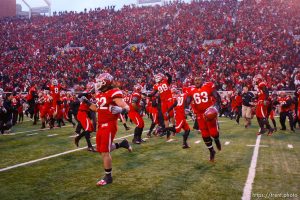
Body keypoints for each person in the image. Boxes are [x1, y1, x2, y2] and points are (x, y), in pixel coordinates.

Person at [84, 73, 132, 186]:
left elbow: (126, 107)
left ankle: (108, 177)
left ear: (106, 82)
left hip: (109, 124)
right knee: (101, 149)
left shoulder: (114, 92)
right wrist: (86, 102)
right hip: (101, 124)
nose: (98, 84)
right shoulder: (101, 94)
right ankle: (122, 144)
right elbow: (97, 109)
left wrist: (121, 110)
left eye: (100, 81)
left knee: (105, 151)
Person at [187, 76, 221, 162]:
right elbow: (187, 100)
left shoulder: (208, 86)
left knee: (213, 133)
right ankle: (212, 151)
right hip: (199, 114)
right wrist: (185, 106)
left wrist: (216, 106)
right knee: (205, 135)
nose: (197, 81)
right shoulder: (191, 89)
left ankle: (216, 140)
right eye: (195, 80)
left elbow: (217, 96)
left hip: (209, 111)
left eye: (198, 79)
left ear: (202, 80)